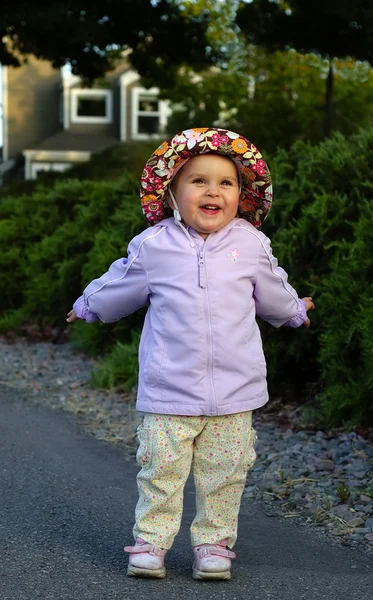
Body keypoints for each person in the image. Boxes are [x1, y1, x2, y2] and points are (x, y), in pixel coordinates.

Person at [67, 127, 315, 581]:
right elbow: (120, 283)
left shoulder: (251, 245)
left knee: (225, 475)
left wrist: (295, 311)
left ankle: (213, 545)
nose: (212, 191)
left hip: (235, 392)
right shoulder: (155, 245)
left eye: (226, 182)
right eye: (198, 181)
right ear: (172, 192)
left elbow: (274, 293)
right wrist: (89, 305)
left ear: (243, 195)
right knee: (160, 470)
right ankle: (151, 543)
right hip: (168, 390)